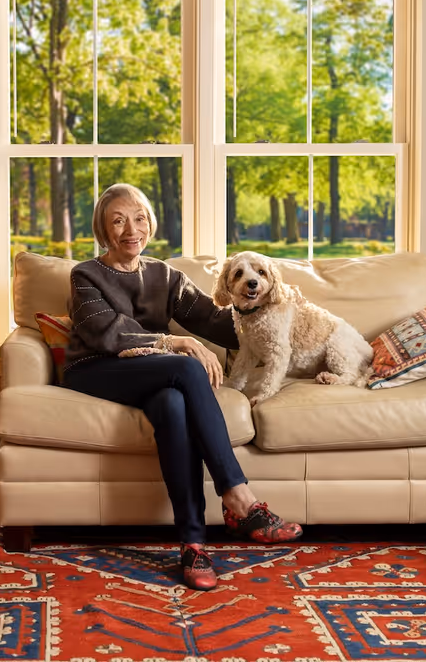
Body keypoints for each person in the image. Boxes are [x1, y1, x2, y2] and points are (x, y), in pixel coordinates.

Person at [64, 183, 302, 591]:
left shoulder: (163, 275)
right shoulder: (85, 275)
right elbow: (107, 334)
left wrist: (269, 304)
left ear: (150, 224)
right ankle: (240, 500)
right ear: (104, 230)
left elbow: (214, 321)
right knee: (188, 369)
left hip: (156, 372)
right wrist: (175, 341)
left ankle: (193, 544)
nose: (130, 229)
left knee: (173, 405)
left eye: (139, 218)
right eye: (117, 221)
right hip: (97, 369)